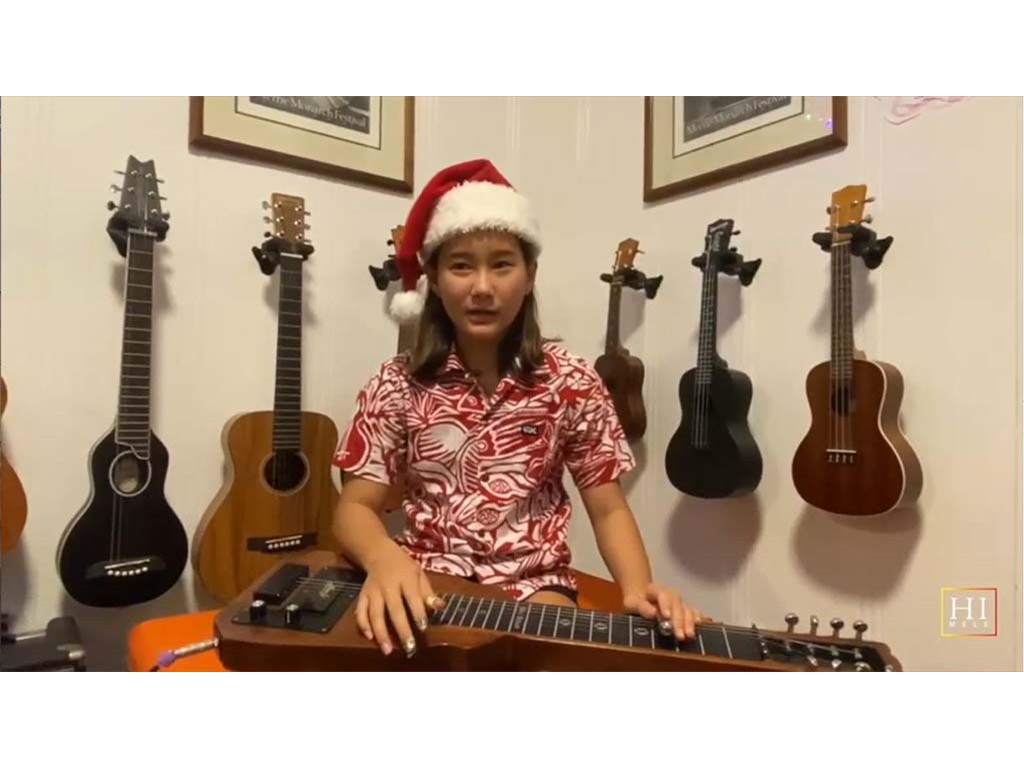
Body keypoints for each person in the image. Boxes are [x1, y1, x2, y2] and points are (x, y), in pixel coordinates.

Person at [332, 159, 706, 658]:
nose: (482, 287)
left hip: (535, 586)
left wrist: (637, 589)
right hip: (426, 580)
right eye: (461, 265)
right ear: (435, 280)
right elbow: (355, 506)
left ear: (530, 276)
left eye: (502, 264)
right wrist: (384, 559)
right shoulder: (396, 381)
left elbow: (608, 506)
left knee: (549, 661)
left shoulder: (571, 379)